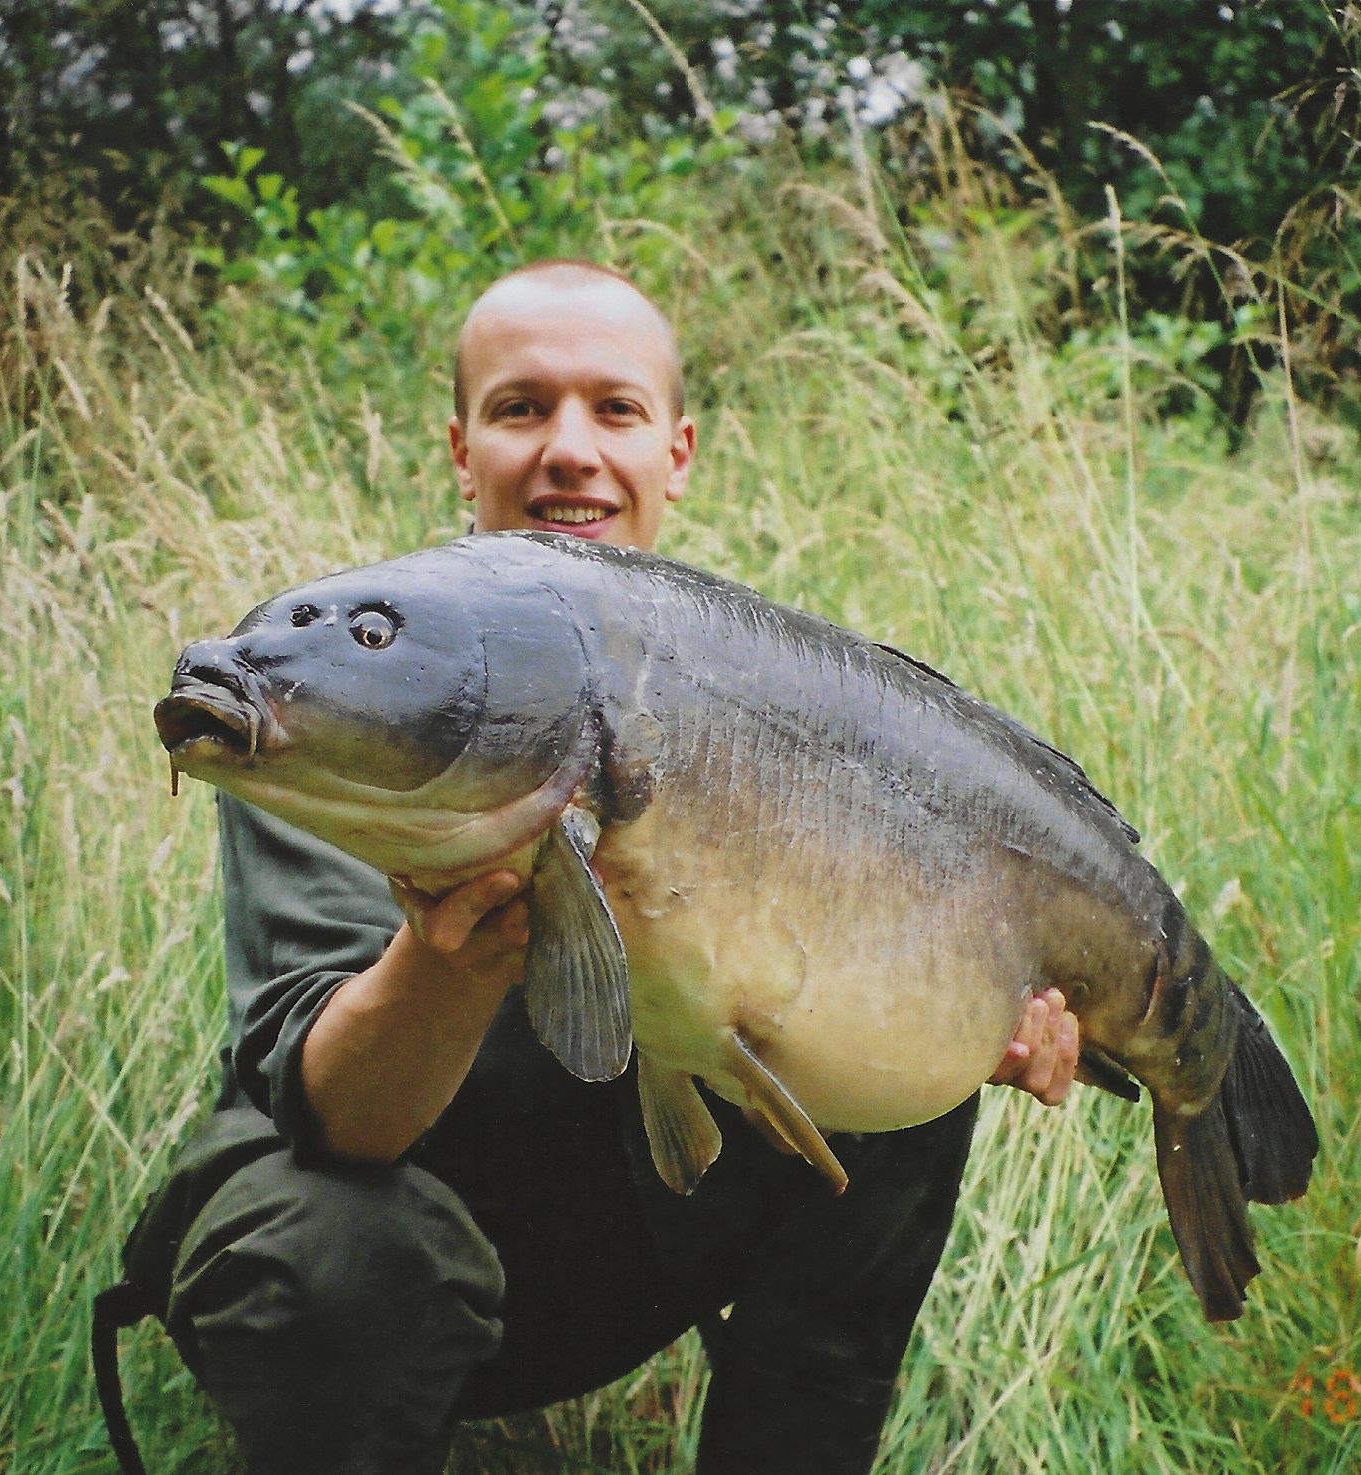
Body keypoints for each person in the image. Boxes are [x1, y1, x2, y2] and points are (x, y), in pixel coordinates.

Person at [99, 260, 1081, 1475]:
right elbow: (342, 1122)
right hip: (392, 1204)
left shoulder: (761, 691)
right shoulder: (351, 696)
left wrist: (956, 1016)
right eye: (520, 409)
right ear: (462, 449)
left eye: (612, 409)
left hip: (622, 1233)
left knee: (908, 1104)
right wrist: (450, 952)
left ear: (674, 451)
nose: (568, 448)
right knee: (335, 1250)